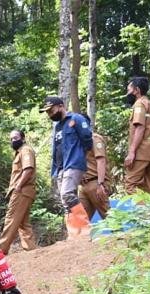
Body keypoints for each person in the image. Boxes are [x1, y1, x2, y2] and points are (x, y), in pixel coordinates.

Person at [41, 95, 93, 240]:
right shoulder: (58, 127)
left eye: (51, 110)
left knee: (67, 194)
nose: (50, 114)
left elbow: (88, 139)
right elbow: (56, 149)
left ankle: (85, 230)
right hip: (60, 168)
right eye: (47, 112)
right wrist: (55, 170)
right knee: (66, 201)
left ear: (61, 106)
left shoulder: (76, 119)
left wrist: (80, 155)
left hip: (74, 163)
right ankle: (74, 234)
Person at [0, 129, 37, 254]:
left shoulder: (25, 150)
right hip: (24, 191)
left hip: (22, 191)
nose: (13, 141)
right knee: (23, 222)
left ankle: (0, 251)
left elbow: (28, 169)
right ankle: (30, 249)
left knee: (11, 219)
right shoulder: (20, 152)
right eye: (11, 139)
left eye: (15, 138)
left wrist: (18, 186)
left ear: (23, 138)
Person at [123, 76, 150, 195]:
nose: (127, 93)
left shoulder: (140, 104)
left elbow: (139, 127)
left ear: (137, 90)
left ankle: (141, 212)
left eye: (129, 90)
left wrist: (132, 152)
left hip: (142, 153)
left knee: (131, 185)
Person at [79, 115, 110, 220]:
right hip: (83, 185)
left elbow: (101, 160)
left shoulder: (95, 139)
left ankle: (120, 236)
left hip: (96, 182)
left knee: (109, 217)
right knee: (81, 220)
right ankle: (82, 237)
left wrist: (100, 184)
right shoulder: (79, 142)